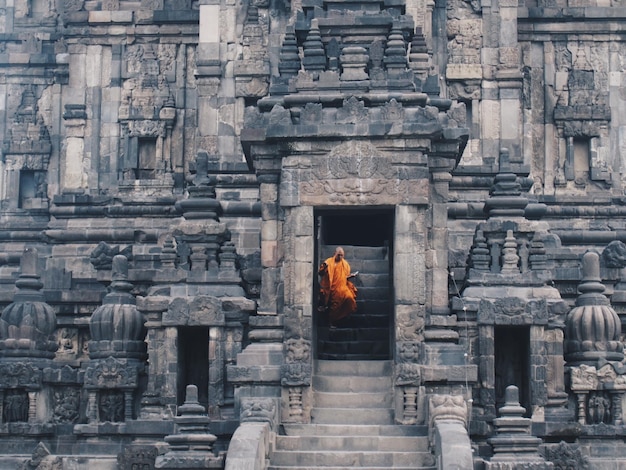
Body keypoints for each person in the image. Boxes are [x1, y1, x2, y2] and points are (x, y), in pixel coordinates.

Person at [318, 247, 358, 327]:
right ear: (334, 254)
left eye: (342, 255)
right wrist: (324, 267)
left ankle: (344, 317)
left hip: (343, 287)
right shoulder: (328, 262)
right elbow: (320, 273)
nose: (340, 257)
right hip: (332, 289)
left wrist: (350, 276)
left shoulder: (345, 264)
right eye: (338, 255)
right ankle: (331, 322)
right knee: (334, 306)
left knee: (350, 299)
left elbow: (345, 277)